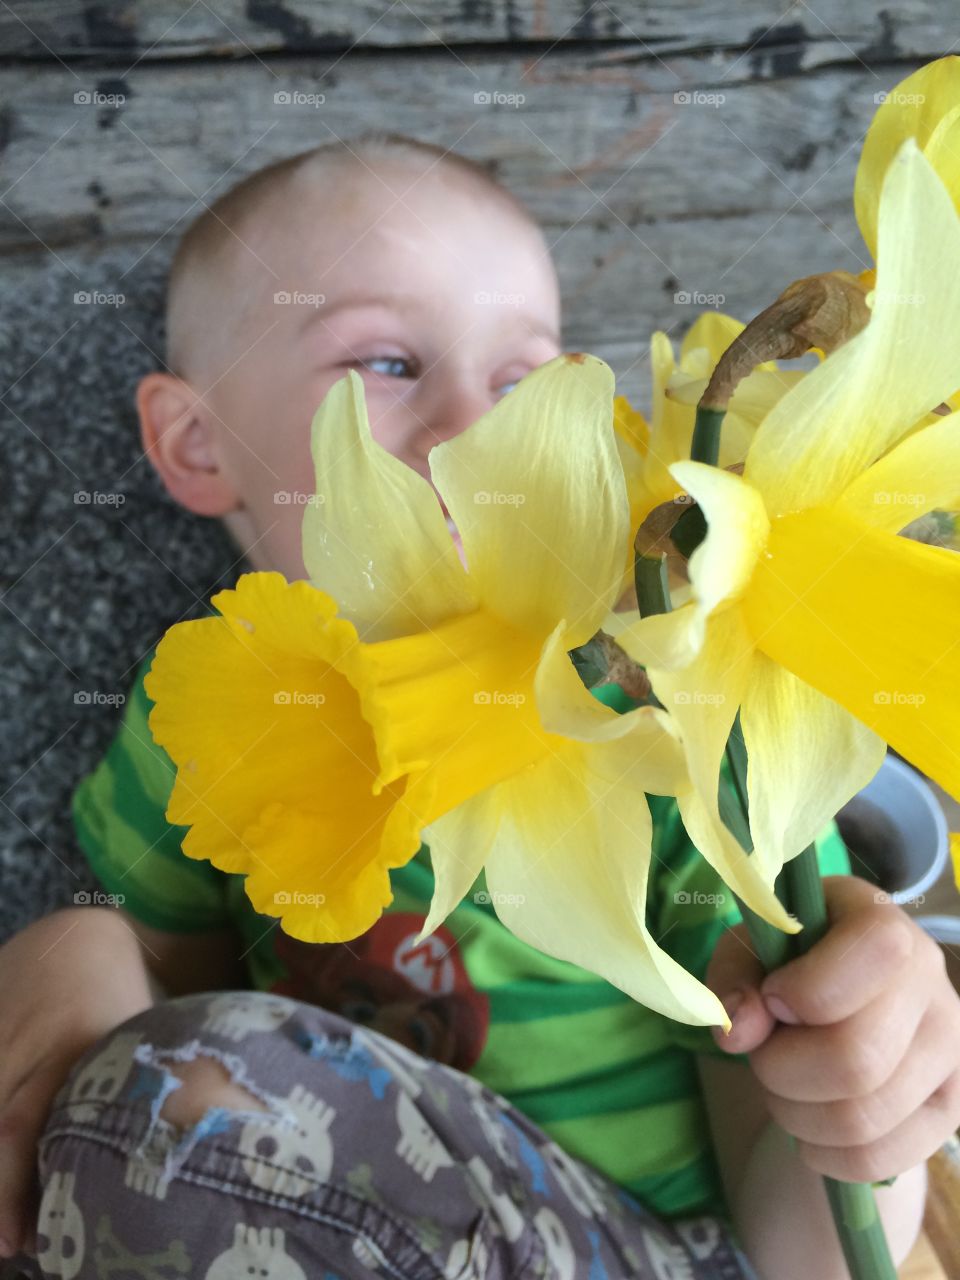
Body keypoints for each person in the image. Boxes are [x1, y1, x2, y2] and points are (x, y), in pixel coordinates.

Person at [0, 133, 954, 1280]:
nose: (474, 428)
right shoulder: (203, 705)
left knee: (188, 1095)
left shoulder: (676, 734)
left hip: (653, 1248)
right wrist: (75, 949)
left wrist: (870, 1099)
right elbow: (167, 948)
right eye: (389, 362)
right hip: (316, 1222)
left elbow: (810, 1253)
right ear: (197, 443)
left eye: (520, 383)